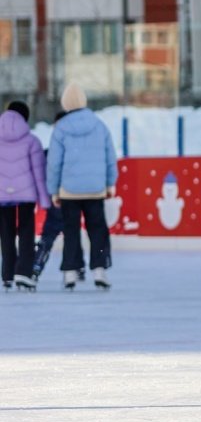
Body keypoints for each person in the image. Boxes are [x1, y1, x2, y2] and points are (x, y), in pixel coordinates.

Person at [47, 83, 118, 290]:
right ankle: (100, 270)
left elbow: (54, 162)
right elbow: (110, 157)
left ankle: (70, 272)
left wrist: (54, 190)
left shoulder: (61, 127)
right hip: (95, 189)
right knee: (98, 230)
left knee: (71, 230)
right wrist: (109, 183)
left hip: (69, 190)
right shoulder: (99, 125)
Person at [0, 101, 51, 291]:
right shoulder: (32, 141)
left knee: (5, 234)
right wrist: (44, 200)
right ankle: (23, 272)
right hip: (26, 195)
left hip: (2, 195)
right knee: (26, 233)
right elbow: (39, 173)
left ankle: (7, 275)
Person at [32, 111, 84, 280]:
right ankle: (77, 267)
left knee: (53, 233)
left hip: (59, 197)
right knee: (71, 232)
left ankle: (37, 264)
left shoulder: (53, 151)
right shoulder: (74, 150)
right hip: (65, 198)